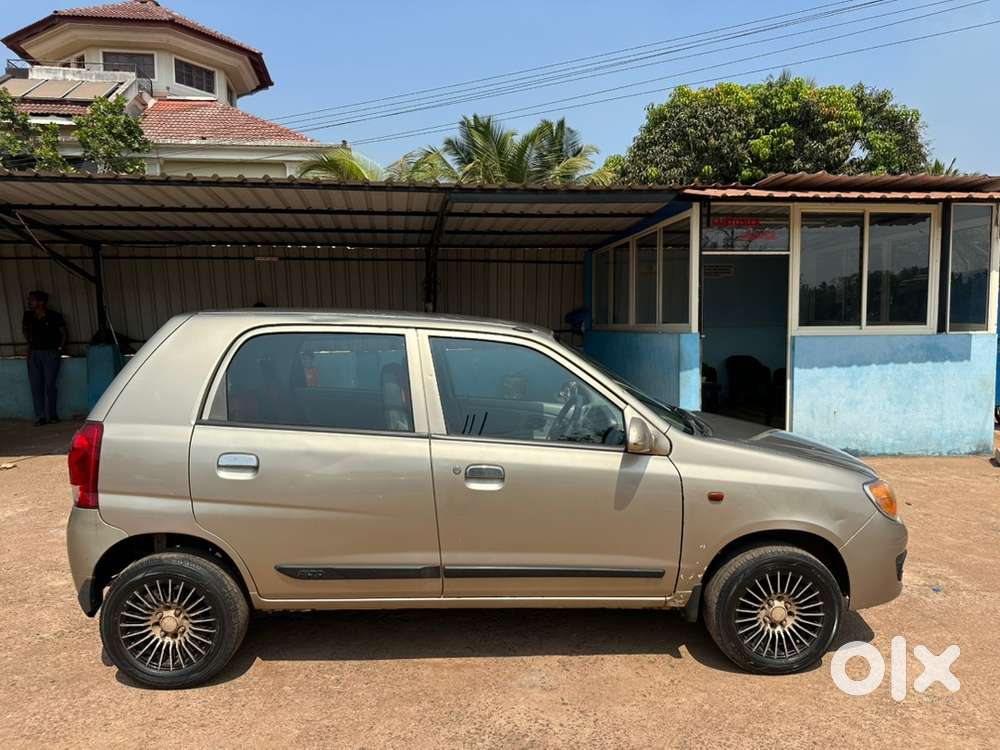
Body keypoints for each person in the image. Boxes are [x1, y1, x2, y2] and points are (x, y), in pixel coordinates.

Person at [22, 290, 67, 426]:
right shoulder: (28, 315)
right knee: (36, 386)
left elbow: (64, 333)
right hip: (34, 353)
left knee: (49, 385)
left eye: (32, 300)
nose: (29, 302)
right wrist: (30, 341)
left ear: (41, 302)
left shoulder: (55, 316)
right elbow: (24, 330)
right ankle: (40, 417)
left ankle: (52, 415)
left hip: (51, 353)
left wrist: (59, 349)